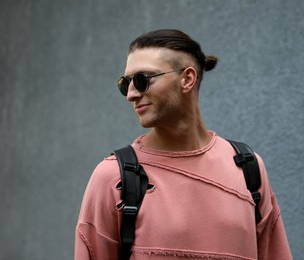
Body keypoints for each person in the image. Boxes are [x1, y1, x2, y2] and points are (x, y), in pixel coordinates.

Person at [75, 29, 292, 260]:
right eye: (125, 83)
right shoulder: (113, 177)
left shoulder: (248, 168)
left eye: (142, 80)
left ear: (187, 79)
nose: (131, 94)